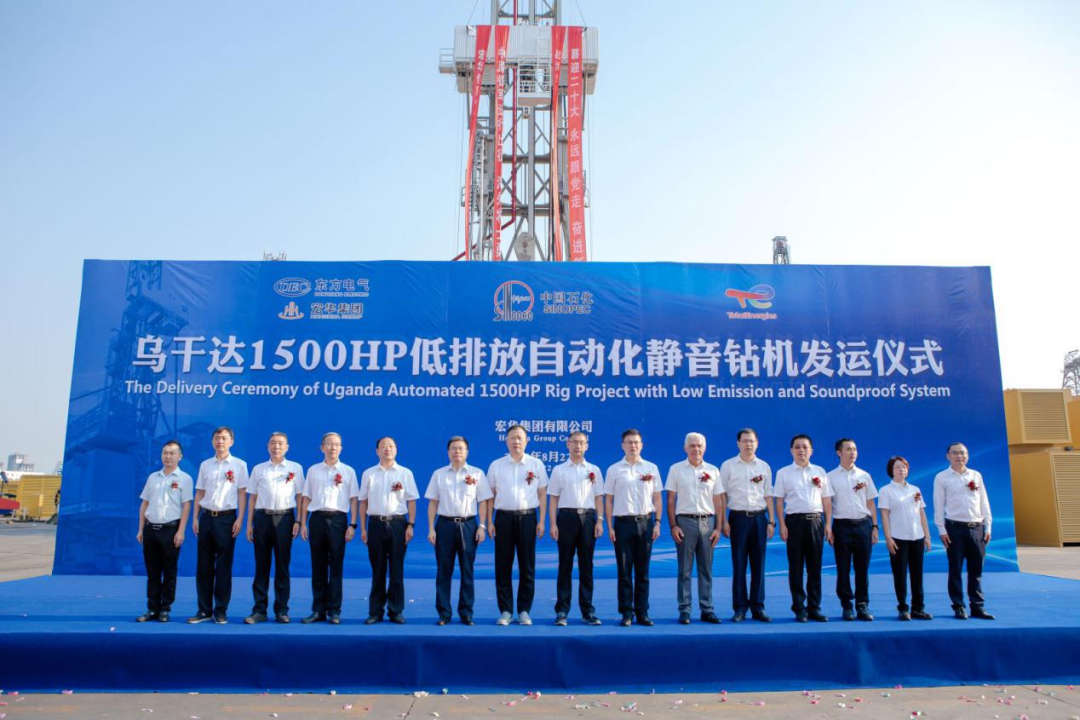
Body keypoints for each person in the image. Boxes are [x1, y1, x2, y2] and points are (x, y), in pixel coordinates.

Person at [425, 436, 492, 625]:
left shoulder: (477, 473)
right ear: (448, 452)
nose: (457, 452)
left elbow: (483, 502)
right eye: (453, 448)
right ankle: (444, 613)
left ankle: (466, 613)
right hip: (444, 525)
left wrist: (482, 526)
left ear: (467, 452)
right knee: (443, 571)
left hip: (469, 525)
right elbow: (433, 503)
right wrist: (431, 528)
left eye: (461, 448)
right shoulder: (439, 474)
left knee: (467, 570)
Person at [487, 424, 549, 626]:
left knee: (527, 566)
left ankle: (524, 610)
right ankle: (505, 610)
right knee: (502, 566)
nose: (516, 441)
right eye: (512, 438)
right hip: (503, 519)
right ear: (506, 441)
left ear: (526, 441)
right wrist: (489, 521)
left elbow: (542, 494)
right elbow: (490, 496)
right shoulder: (496, 465)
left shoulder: (536, 464)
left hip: (528, 518)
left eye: (520, 438)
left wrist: (542, 521)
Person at [299, 432, 360, 625]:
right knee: (318, 566)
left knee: (336, 567)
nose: (333, 447)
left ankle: (334, 611)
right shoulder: (313, 470)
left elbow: (354, 499)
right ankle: (318, 610)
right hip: (316, 519)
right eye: (329, 444)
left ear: (341, 448)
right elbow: (306, 498)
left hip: (338, 520)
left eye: (337, 444)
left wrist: (353, 524)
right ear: (322, 447)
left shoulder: (348, 471)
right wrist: (303, 523)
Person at [189, 427, 248, 625]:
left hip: (227, 519)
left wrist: (240, 519)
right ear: (212, 441)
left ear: (231, 441)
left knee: (223, 566)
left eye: (224, 438)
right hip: (206, 517)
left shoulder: (240, 465)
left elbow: (242, 493)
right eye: (216, 438)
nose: (220, 442)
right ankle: (204, 610)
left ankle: (220, 610)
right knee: (203, 566)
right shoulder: (205, 465)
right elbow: (199, 492)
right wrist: (195, 518)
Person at [665, 432, 724, 625]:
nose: (696, 449)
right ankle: (685, 610)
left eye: (699, 446)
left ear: (704, 448)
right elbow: (671, 500)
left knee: (706, 568)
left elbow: (718, 501)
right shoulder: (676, 469)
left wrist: (718, 528)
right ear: (685, 448)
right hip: (685, 522)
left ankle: (707, 609)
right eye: (692, 445)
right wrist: (673, 525)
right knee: (685, 569)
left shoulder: (713, 470)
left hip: (708, 522)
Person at [773, 434, 833, 622]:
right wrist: (782, 524)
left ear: (811, 451)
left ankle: (814, 607)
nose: (801, 450)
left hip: (816, 521)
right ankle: (799, 607)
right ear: (791, 450)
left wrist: (828, 524)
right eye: (797, 447)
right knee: (796, 567)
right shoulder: (783, 473)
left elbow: (826, 500)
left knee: (815, 567)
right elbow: (779, 500)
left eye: (805, 447)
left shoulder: (820, 471)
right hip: (794, 523)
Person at [604, 429, 662, 627]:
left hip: (646, 523)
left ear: (641, 445)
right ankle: (626, 612)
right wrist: (610, 526)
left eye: (636, 442)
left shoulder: (651, 468)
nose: (633, 446)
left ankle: (642, 612)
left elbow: (657, 497)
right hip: (623, 524)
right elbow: (609, 499)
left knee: (643, 571)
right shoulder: (614, 469)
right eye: (629, 442)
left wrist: (657, 522)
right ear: (623, 445)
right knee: (624, 571)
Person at [245, 432, 304, 624]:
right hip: (262, 518)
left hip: (285, 518)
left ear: (287, 447)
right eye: (272, 443)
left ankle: (282, 610)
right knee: (261, 566)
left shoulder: (295, 468)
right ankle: (259, 610)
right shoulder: (259, 469)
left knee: (282, 566)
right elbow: (252, 498)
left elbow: (300, 497)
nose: (276, 447)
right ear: (267, 446)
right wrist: (249, 524)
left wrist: (298, 521)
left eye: (280, 443)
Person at [358, 436, 418, 624]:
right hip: (375, 524)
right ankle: (375, 612)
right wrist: (363, 528)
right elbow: (363, 502)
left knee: (396, 569)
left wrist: (410, 525)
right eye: (383, 446)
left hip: (398, 524)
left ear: (396, 450)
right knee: (378, 569)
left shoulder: (405, 473)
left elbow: (411, 501)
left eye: (391, 446)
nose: (387, 449)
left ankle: (395, 610)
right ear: (377, 451)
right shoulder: (369, 473)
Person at [548, 431, 604, 626]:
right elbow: (553, 498)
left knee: (586, 565)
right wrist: (553, 523)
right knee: (565, 565)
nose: (578, 446)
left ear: (587, 446)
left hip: (588, 518)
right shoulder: (559, 470)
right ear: (568, 445)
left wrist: (600, 521)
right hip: (566, 518)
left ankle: (587, 611)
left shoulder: (594, 470)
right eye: (574, 442)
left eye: (582, 442)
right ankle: (562, 610)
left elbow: (599, 497)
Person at [933, 442, 994, 620]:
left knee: (976, 570)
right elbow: (939, 505)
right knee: (956, 569)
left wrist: (988, 526)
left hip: (977, 527)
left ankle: (977, 606)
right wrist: (942, 530)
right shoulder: (942, 477)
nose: (959, 456)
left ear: (967, 455)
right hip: (954, 528)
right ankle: (959, 606)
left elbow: (984, 501)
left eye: (963, 453)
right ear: (948, 456)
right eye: (955, 453)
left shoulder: (975, 475)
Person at [720, 428, 775, 623]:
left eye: (751, 441)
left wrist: (771, 520)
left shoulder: (764, 466)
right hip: (738, 519)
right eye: (744, 441)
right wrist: (723, 521)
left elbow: (768, 494)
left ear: (757, 443)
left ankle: (758, 606)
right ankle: (740, 608)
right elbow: (722, 496)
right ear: (738, 443)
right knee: (739, 564)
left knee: (759, 565)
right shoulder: (728, 466)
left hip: (760, 518)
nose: (748, 444)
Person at [136, 440, 193, 623]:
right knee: (152, 572)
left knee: (169, 572)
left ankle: (165, 609)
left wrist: (181, 531)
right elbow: (144, 503)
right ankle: (152, 608)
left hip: (170, 530)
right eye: (165, 453)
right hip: (150, 530)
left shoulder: (185, 479)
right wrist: (140, 529)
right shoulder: (153, 477)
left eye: (172, 453)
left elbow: (186, 506)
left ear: (180, 456)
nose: (168, 456)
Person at [826, 438, 878, 621]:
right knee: (843, 568)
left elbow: (871, 503)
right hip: (841, 527)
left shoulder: (864, 475)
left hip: (863, 525)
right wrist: (828, 527)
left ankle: (862, 605)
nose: (853, 452)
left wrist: (875, 527)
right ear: (839, 452)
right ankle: (847, 605)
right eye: (848, 449)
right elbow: (828, 505)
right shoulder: (830, 477)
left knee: (862, 568)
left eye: (855, 449)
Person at [878, 456, 932, 621]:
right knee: (900, 574)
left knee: (917, 574)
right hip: (898, 538)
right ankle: (903, 608)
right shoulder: (886, 490)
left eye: (904, 467)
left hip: (917, 536)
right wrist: (888, 538)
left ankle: (918, 608)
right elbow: (884, 516)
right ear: (891, 471)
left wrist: (927, 536)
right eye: (897, 467)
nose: (901, 470)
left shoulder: (915, 489)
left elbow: (921, 514)